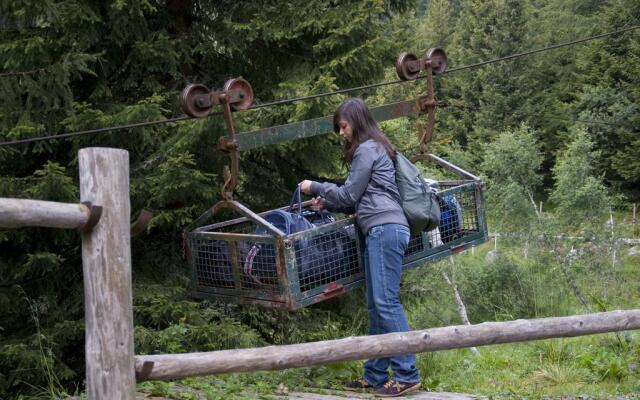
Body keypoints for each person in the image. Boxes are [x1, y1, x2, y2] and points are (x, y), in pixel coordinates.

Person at [299, 97, 421, 398]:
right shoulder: (377, 148)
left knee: (387, 303)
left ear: (356, 121)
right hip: (379, 229)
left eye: (343, 126)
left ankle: (407, 375)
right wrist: (327, 202)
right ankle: (375, 374)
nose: (341, 133)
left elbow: (350, 193)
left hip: (384, 230)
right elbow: (360, 199)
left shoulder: (367, 149)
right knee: (377, 306)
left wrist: (314, 186)